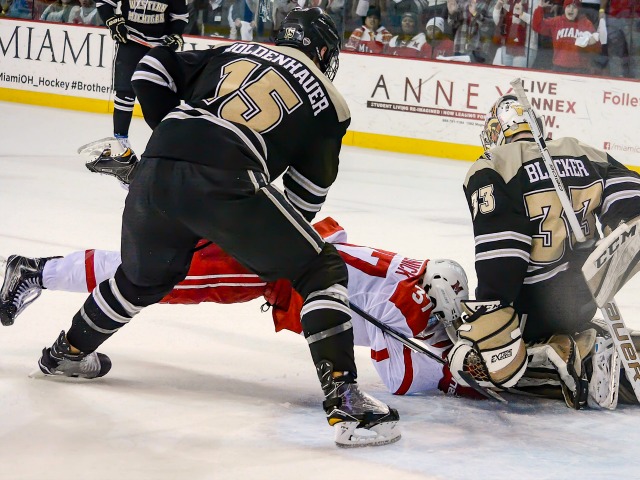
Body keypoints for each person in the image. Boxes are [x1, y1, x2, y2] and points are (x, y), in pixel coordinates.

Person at [27, 7, 400, 448]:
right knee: (321, 268)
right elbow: (304, 204)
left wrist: (171, 133)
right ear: (322, 51)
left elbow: (150, 68)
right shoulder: (331, 102)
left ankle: (66, 353)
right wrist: (247, 232)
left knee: (142, 279)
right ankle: (347, 406)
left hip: (155, 168)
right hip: (227, 175)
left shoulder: (232, 50)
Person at [0, 217, 477, 399]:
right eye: (442, 314)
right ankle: (37, 272)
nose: (444, 322)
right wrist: (450, 372)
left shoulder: (416, 274)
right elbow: (398, 376)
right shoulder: (412, 300)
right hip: (266, 267)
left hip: (276, 247)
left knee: (148, 268)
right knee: (146, 276)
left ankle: (39, 272)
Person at [449, 93, 640, 408]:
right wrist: (615, 227)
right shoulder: (581, 152)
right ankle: (581, 341)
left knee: (471, 360)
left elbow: (503, 251)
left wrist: (493, 310)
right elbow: (632, 200)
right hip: (583, 300)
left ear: (495, 132)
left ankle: (546, 356)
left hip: (531, 310)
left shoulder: (493, 166)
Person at [95, 0, 188, 159]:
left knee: (160, 99)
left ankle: (169, 147)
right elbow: (104, 2)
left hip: (159, 47)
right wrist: (110, 19)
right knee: (125, 93)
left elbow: (180, 16)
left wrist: (175, 34)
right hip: (130, 42)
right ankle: (120, 144)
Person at [532, 0, 600, 73]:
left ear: (578, 9)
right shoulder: (556, 22)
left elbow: (597, 48)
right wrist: (540, 9)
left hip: (580, 69)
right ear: (564, 8)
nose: (571, 10)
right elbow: (537, 26)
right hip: (559, 68)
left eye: (574, 7)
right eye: (568, 6)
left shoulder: (586, 23)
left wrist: (592, 42)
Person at [599, 0, 640, 78]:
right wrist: (601, 10)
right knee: (615, 53)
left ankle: (637, 81)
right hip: (613, 16)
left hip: (635, 17)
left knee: (636, 55)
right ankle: (616, 81)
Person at [492, 0, 540, 67]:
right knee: (504, 72)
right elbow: (499, 22)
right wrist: (498, 7)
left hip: (526, 47)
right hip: (508, 44)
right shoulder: (509, 1)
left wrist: (522, 14)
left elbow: (539, 23)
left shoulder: (534, 1)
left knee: (518, 73)